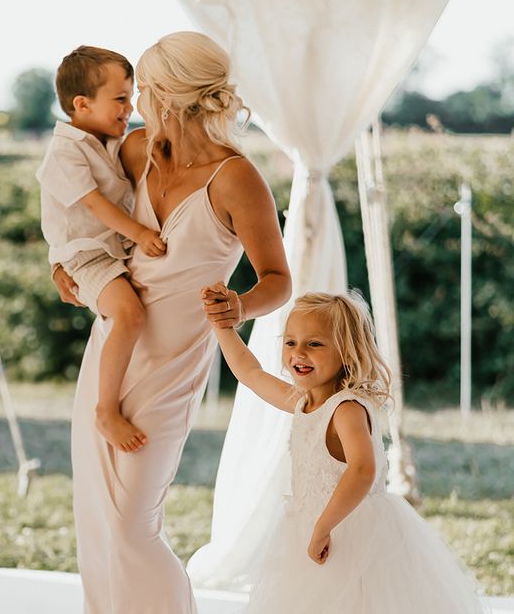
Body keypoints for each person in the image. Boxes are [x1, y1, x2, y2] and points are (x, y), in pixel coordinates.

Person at [53, 31, 291, 613]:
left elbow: (277, 280)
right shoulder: (136, 151)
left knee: (134, 525)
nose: (134, 106)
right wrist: (64, 266)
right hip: (113, 343)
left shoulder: (237, 178)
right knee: (98, 519)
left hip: (173, 362)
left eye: (143, 93)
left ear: (165, 94)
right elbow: (78, 202)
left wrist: (241, 306)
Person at [204, 285, 487, 614]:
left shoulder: (346, 408)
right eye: (291, 342)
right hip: (310, 530)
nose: (299, 353)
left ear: (347, 353)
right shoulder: (303, 402)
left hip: (352, 534)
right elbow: (250, 373)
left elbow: (362, 469)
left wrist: (324, 527)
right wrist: (221, 325)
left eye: (314, 344)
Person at [37, 46, 167, 452]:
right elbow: (95, 205)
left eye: (130, 98)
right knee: (129, 316)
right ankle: (105, 410)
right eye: (121, 99)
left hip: (109, 250)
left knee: (132, 317)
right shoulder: (65, 151)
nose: (130, 108)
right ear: (82, 104)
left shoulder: (108, 140)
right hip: (85, 256)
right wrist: (142, 233)